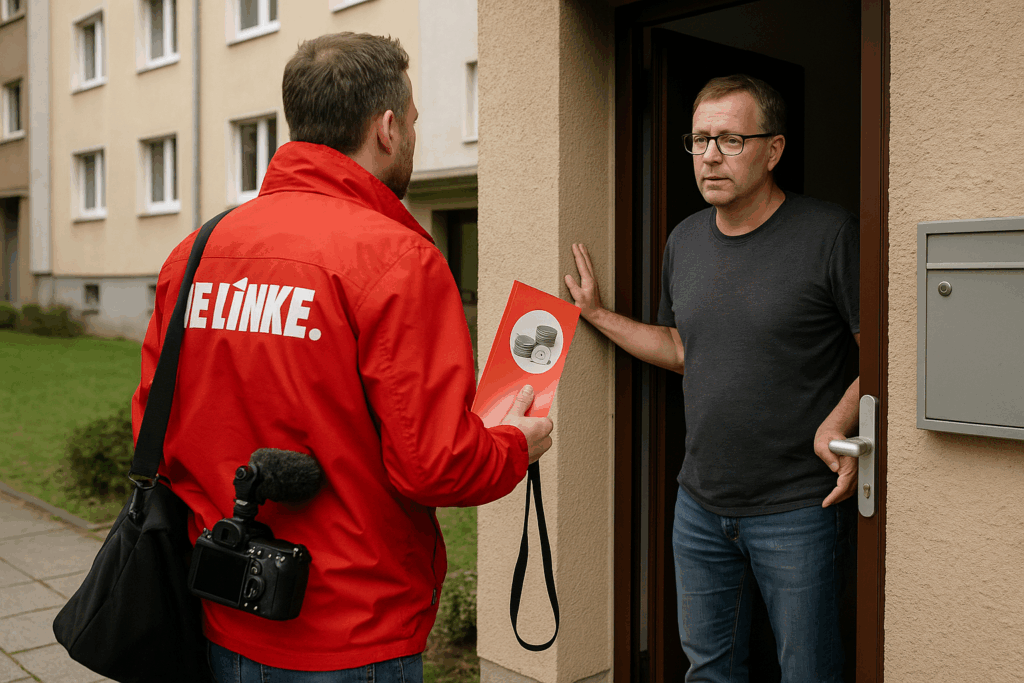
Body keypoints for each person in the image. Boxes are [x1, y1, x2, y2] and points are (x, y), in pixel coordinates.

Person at [131, 32, 553, 683]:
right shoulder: (397, 260)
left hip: (220, 600)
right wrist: (512, 445)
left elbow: (149, 432)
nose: (413, 135)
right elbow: (434, 465)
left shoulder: (194, 252)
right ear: (386, 128)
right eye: (413, 122)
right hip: (352, 631)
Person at [565, 74, 859, 682]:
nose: (710, 158)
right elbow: (681, 348)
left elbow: (881, 350)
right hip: (699, 506)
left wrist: (840, 422)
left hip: (800, 507)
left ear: (773, 150)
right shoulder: (685, 239)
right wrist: (597, 316)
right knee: (709, 670)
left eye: (729, 139)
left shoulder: (829, 234)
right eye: (700, 141)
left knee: (810, 672)